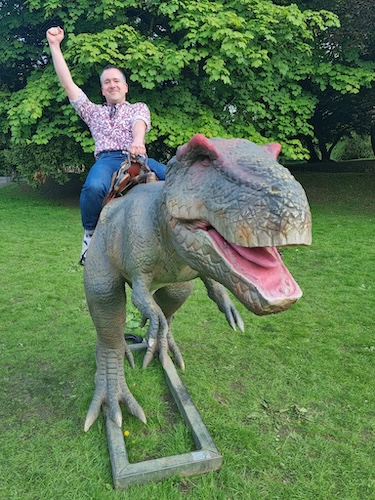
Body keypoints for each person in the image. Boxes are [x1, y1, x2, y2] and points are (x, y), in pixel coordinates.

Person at [46, 26, 166, 264]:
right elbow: (68, 84)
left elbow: (139, 124)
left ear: (125, 87)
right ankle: (90, 235)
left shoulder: (138, 107)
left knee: (176, 175)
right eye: (107, 82)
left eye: (117, 81)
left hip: (136, 157)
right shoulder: (93, 113)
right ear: (102, 89)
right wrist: (54, 46)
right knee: (92, 188)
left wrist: (137, 142)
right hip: (107, 160)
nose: (112, 85)